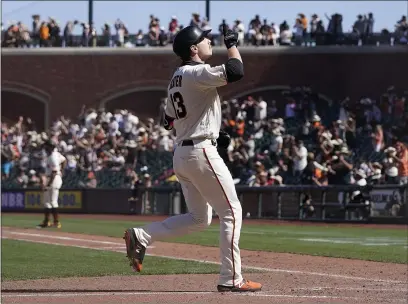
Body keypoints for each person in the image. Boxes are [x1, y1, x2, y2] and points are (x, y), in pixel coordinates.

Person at [123, 25, 262, 292]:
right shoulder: (197, 72)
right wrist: (232, 44)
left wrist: (208, 128)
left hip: (183, 152)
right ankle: (231, 278)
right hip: (199, 151)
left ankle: (142, 236)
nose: (210, 41)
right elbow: (236, 71)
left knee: (200, 219)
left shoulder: (176, 77)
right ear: (193, 49)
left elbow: (167, 120)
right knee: (232, 212)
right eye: (204, 39)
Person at [36, 141, 66, 228]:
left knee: (53, 201)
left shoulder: (53, 157)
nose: (45, 148)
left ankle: (57, 222)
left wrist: (48, 184)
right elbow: (64, 160)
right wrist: (62, 171)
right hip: (51, 178)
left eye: (46, 147)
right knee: (46, 202)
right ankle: (46, 221)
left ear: (50, 147)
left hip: (53, 179)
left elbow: (54, 172)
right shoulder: (55, 154)